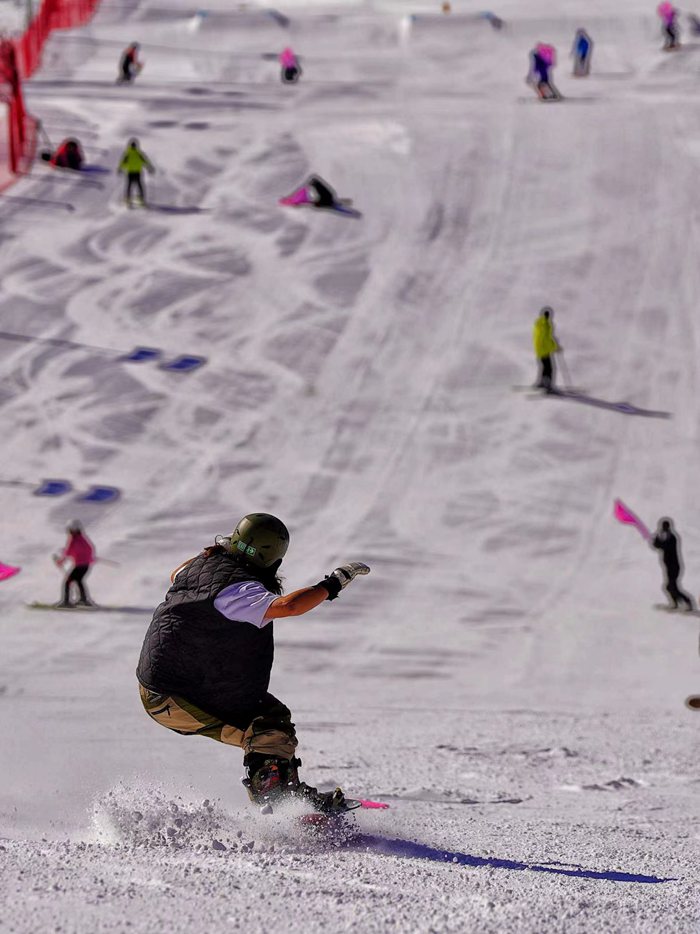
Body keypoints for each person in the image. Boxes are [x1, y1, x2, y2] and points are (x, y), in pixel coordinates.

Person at [136, 513, 370, 814]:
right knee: (266, 726)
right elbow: (291, 606)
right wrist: (333, 583)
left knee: (270, 716)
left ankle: (283, 790)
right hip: (176, 694)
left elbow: (176, 573)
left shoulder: (201, 565)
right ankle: (280, 805)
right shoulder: (239, 591)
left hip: (171, 683)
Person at [651, 518, 694, 611]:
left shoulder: (672, 538)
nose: (663, 529)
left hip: (674, 567)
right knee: (669, 586)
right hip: (669, 567)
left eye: (664, 527)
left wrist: (657, 539)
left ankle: (687, 602)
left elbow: (663, 546)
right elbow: (657, 545)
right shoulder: (667, 536)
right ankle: (675, 603)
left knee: (671, 586)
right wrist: (656, 539)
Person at [53, 521, 95, 607]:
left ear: (72, 530)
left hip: (79, 565)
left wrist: (60, 561)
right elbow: (89, 549)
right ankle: (83, 600)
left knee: (68, 582)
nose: (69, 532)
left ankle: (66, 602)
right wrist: (89, 558)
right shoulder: (83, 538)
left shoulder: (72, 539)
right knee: (78, 580)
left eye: (69, 530)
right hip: (86, 565)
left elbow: (68, 552)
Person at [117, 138, 154, 207]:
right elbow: (145, 161)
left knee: (129, 185)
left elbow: (123, 162)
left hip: (130, 172)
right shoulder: (139, 153)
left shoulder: (127, 154)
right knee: (139, 185)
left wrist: (120, 169)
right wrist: (149, 168)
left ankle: (128, 198)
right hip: (138, 172)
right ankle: (141, 198)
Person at [532, 306, 561, 391]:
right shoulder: (546, 325)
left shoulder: (539, 323)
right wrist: (555, 347)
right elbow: (547, 339)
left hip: (539, 349)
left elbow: (543, 338)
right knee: (549, 368)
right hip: (544, 349)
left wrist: (554, 344)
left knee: (545, 366)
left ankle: (542, 382)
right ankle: (547, 385)